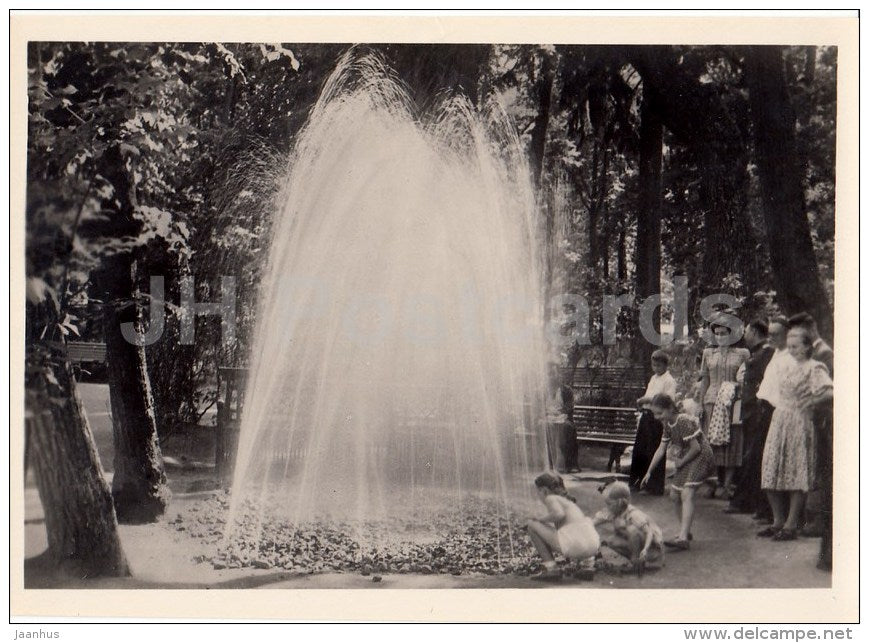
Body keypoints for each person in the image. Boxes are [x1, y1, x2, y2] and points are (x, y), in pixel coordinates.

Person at [759, 327, 833, 542]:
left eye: (795, 346)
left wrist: (811, 401)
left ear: (807, 347)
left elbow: (830, 391)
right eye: (789, 346)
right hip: (780, 419)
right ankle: (777, 521)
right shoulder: (783, 364)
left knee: (796, 472)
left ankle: (790, 526)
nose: (791, 350)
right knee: (770, 470)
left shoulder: (814, 367)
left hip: (799, 422)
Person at [787, 313, 834, 570]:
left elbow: (830, 390)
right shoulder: (809, 356)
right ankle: (814, 522)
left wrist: (810, 402)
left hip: (822, 423)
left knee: (818, 474)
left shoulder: (824, 355)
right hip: (812, 421)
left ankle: (815, 521)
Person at [642, 393, 714, 551]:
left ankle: (682, 537)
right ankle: (685, 531)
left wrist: (681, 461)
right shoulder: (668, 425)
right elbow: (661, 449)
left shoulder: (683, 421)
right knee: (675, 495)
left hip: (700, 456)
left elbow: (696, 448)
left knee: (687, 493)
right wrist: (649, 471)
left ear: (669, 408)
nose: (656, 417)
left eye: (659, 413)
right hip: (687, 457)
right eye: (654, 413)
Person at [726, 320, 776, 516]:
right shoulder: (758, 352)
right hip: (749, 411)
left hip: (757, 412)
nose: (744, 334)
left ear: (754, 331)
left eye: (746, 330)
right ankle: (748, 502)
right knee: (749, 456)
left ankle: (746, 502)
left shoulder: (767, 352)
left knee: (753, 456)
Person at [699, 319, 750, 498]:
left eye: (724, 333)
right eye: (717, 333)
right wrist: (699, 403)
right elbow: (704, 379)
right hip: (711, 401)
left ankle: (726, 485)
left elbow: (747, 378)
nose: (720, 337)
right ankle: (713, 483)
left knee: (731, 443)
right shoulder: (708, 353)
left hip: (732, 402)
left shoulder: (742, 353)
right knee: (711, 444)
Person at [526, 472, 600, 580]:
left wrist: (539, 519)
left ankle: (552, 569)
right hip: (593, 546)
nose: (538, 496)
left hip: (575, 547)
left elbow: (559, 514)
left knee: (532, 525)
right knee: (582, 525)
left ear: (544, 490)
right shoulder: (568, 502)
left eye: (538, 492)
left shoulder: (550, 498)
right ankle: (587, 566)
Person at [629, 350, 677, 495]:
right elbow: (648, 395)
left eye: (659, 365)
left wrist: (647, 400)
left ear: (665, 365)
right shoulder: (653, 378)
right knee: (640, 449)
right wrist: (642, 401)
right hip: (647, 415)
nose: (656, 368)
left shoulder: (669, 381)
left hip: (658, 417)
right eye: (654, 365)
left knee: (653, 449)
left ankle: (653, 486)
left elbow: (667, 400)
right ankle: (637, 481)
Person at [593, 481, 664, 576]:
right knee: (611, 541)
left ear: (619, 503)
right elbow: (596, 520)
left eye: (609, 504)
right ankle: (635, 560)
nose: (607, 507)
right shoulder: (615, 511)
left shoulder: (634, 514)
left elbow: (649, 532)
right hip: (639, 543)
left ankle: (637, 561)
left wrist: (645, 550)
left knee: (632, 530)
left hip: (652, 549)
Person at [544, 363, 577, 473]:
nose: (551, 377)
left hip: (562, 418)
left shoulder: (566, 390)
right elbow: (538, 407)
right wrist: (546, 414)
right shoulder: (543, 390)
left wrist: (559, 413)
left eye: (553, 374)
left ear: (559, 375)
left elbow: (569, 406)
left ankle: (570, 464)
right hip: (548, 418)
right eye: (549, 374)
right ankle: (549, 463)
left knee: (567, 428)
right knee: (546, 426)